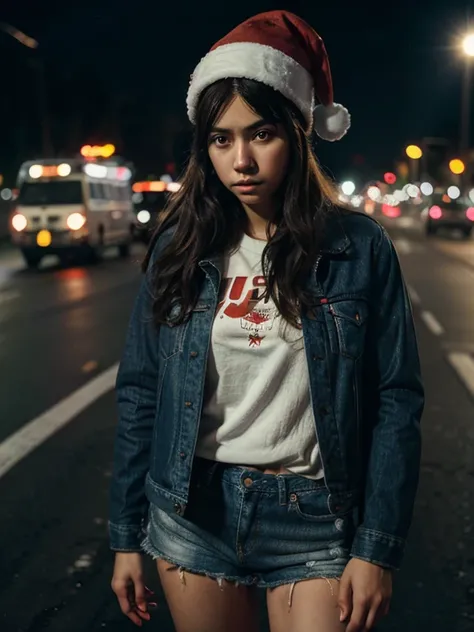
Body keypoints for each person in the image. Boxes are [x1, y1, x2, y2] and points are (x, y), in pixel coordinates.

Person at [109, 10, 424, 632]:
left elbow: (395, 398)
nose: (241, 160)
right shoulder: (180, 246)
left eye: (261, 134)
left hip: (316, 516)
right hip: (193, 508)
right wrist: (125, 534)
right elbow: (141, 391)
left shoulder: (357, 247)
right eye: (221, 139)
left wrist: (376, 546)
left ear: (298, 136)